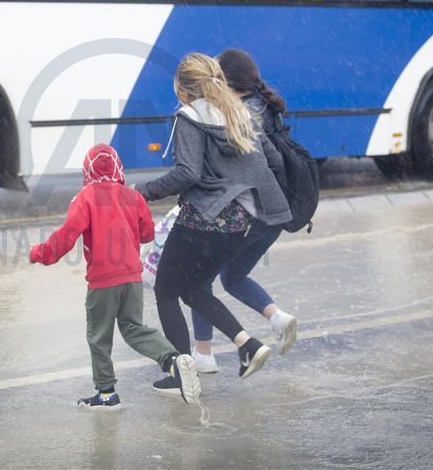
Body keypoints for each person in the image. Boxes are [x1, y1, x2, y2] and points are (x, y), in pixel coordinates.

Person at [134, 53, 293, 392]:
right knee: (193, 289)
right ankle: (248, 345)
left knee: (165, 291)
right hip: (239, 226)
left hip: (201, 222)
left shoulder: (189, 117)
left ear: (182, 88)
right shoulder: (240, 113)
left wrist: (142, 191)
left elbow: (187, 173)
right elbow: (273, 161)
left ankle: (182, 373)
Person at [30, 143, 200, 409]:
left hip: (102, 280)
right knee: (134, 327)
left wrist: (39, 253)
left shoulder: (85, 198)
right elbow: (147, 234)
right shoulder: (133, 197)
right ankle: (172, 360)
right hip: (132, 277)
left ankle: (107, 395)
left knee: (99, 336)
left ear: (87, 169)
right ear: (118, 167)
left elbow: (65, 238)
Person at [189, 48, 298, 374]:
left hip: (251, 212)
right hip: (277, 215)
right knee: (233, 276)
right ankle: (278, 318)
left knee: (199, 279)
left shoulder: (240, 114)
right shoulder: (266, 105)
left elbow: (253, 165)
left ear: (226, 82)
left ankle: (204, 356)